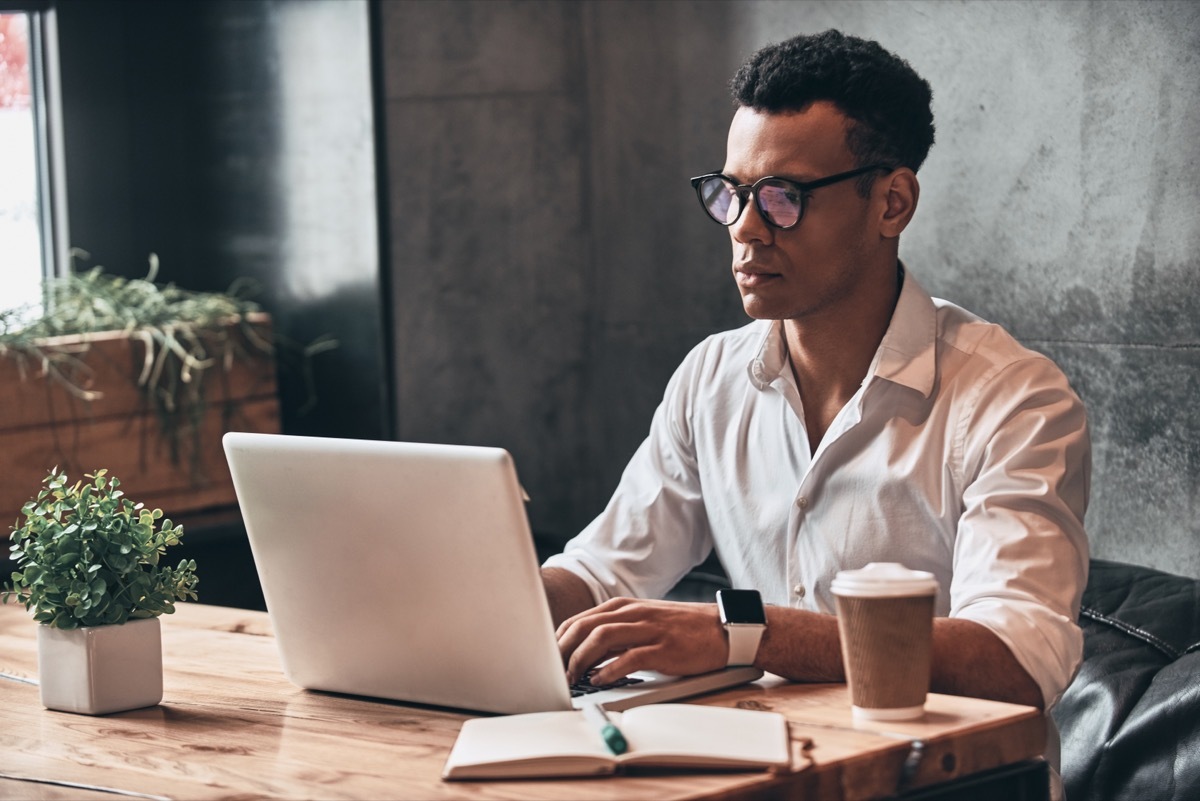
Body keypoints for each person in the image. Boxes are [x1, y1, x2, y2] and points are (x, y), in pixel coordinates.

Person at [543, 28, 1088, 737]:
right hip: (760, 773)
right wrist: (462, 597)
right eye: (729, 193)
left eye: (781, 197)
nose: (744, 228)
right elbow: (601, 572)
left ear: (892, 203)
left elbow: (1014, 659)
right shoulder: (711, 377)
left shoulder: (1013, 401)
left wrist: (745, 631)